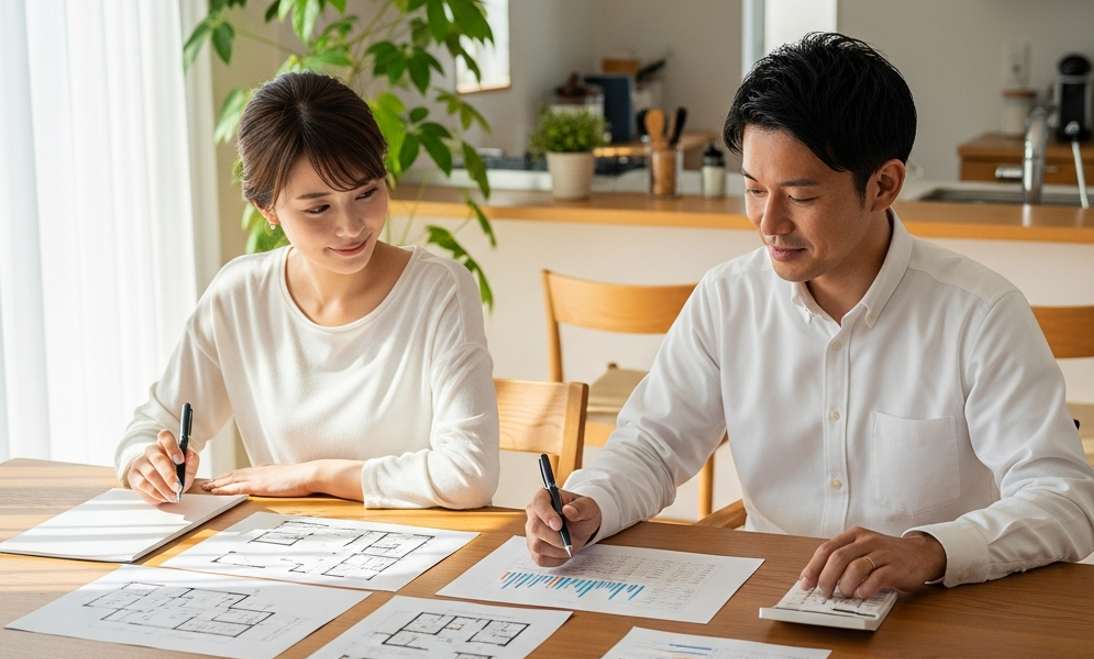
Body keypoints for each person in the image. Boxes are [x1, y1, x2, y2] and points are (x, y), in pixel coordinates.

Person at [525, 33, 1094, 598]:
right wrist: (592, 503)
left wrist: (929, 550)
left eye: (799, 197)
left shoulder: (979, 314)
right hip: (767, 597)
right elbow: (653, 445)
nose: (769, 223)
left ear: (883, 185)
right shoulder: (728, 298)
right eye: (754, 190)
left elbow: (1065, 500)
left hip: (929, 610)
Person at [116, 71, 499, 509]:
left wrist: (311, 477)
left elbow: (469, 474)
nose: (351, 226)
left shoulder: (439, 290)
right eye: (318, 208)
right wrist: (146, 463)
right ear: (266, 208)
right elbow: (152, 427)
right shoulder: (240, 295)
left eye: (366, 193)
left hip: (414, 540)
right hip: (284, 541)